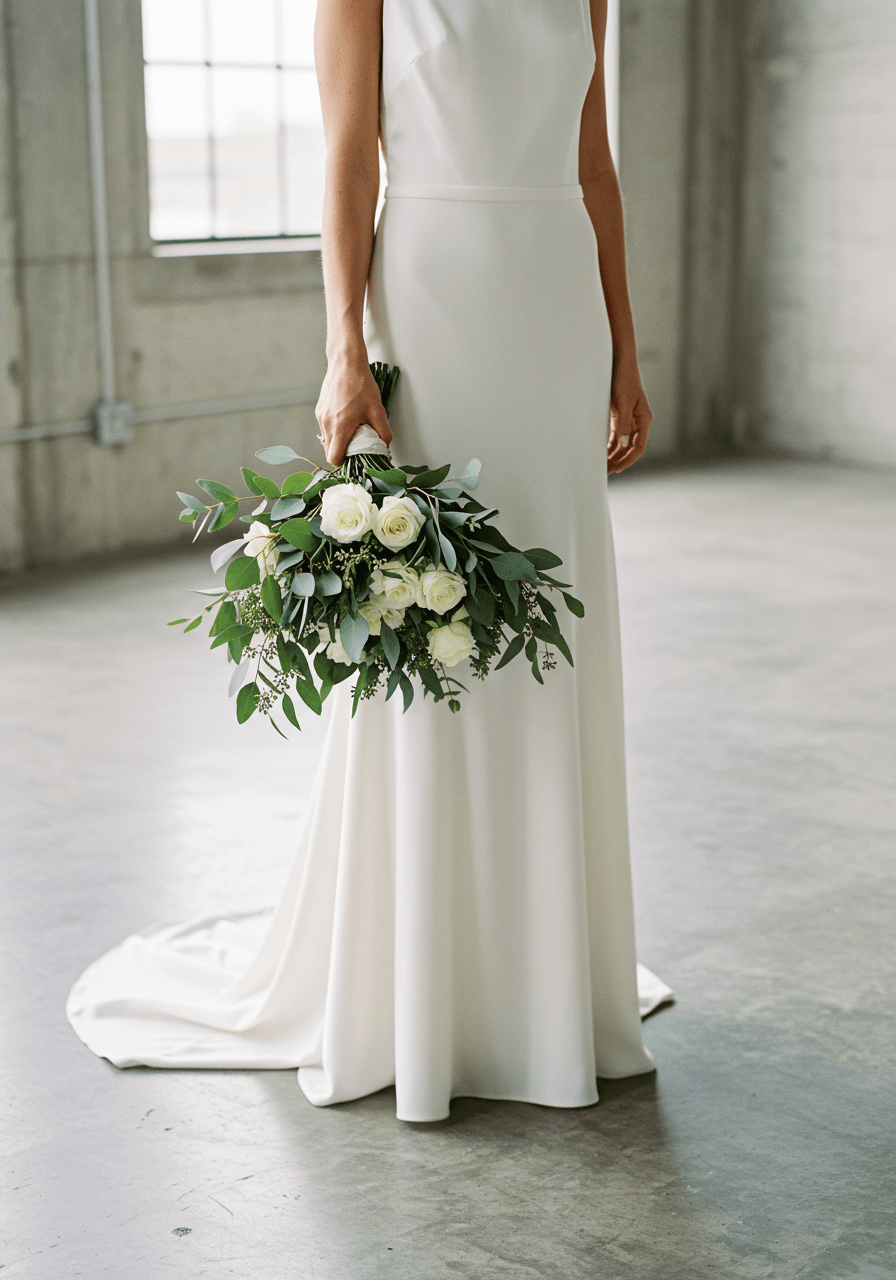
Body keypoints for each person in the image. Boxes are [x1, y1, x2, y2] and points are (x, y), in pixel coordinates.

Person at [67, 0, 671, 1123]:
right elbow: (347, 162)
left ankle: (545, 975)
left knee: (549, 620)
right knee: (436, 622)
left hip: (552, 305)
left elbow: (593, 167)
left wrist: (626, 350)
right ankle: (417, 976)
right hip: (434, 297)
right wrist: (345, 349)